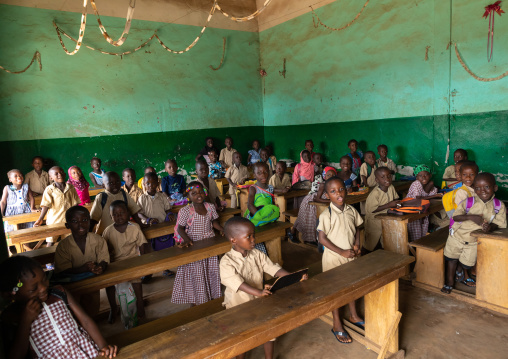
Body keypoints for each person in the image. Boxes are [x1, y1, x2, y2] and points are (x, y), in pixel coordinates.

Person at [0, 256, 118, 359]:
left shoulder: (59, 293)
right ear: (11, 294)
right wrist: (25, 321)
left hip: (86, 352)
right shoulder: (11, 316)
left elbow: (85, 321)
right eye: (33, 289)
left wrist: (103, 346)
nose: (43, 288)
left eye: (44, 279)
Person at [220, 217, 303, 359]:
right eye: (248, 236)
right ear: (234, 240)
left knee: (269, 331)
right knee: (243, 337)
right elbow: (238, 284)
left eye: (254, 235)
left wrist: (293, 276)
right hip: (239, 306)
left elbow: (273, 269)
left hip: (260, 301)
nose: (253, 239)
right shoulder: (226, 261)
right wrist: (258, 292)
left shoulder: (257, 254)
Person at [441, 173, 506, 294]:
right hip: (457, 236)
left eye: (487, 187)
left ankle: (461, 270)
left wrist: (490, 227)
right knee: (451, 260)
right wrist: (471, 217)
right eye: (478, 188)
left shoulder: (498, 206)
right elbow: (455, 217)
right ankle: (449, 283)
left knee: (467, 263)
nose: (483, 191)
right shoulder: (468, 202)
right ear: (474, 189)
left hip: (473, 242)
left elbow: (500, 223)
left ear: (495, 188)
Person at [317, 177, 364, 344]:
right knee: (335, 291)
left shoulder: (351, 210)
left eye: (341, 189)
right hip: (333, 260)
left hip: (351, 256)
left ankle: (353, 315)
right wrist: (342, 252)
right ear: (327, 195)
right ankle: (337, 324)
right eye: (333, 191)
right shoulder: (326, 214)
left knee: (353, 286)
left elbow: (358, 228)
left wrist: (357, 244)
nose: (339, 194)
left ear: (346, 189)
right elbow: (322, 239)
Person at [171, 182, 224, 306]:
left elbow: (214, 222)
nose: (198, 195)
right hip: (193, 245)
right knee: (196, 274)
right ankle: (196, 300)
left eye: (200, 192)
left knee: (210, 270)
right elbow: (179, 228)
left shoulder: (210, 207)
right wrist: (187, 240)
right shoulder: (186, 211)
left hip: (209, 243)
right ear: (188, 196)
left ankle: (210, 296)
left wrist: (222, 229)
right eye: (193, 193)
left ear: (205, 193)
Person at [54, 206, 109, 316]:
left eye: (84, 220)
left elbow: (104, 260)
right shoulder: (63, 246)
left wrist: (101, 267)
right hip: (72, 288)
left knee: (92, 312)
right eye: (75, 221)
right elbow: (62, 271)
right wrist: (83, 269)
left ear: (90, 222)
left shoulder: (98, 240)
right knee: (75, 315)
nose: (81, 225)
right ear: (67, 225)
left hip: (93, 285)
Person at [103, 200, 148, 323]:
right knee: (109, 284)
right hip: (115, 263)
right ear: (110, 216)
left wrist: (142, 260)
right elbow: (104, 249)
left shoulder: (134, 227)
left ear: (128, 213)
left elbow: (142, 244)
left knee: (136, 282)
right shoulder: (108, 231)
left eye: (122, 213)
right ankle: (113, 308)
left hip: (132, 260)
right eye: (115, 214)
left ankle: (140, 304)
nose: (119, 216)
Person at [34, 166, 81, 246]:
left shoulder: (70, 187)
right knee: (51, 242)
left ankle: (68, 257)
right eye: (56, 174)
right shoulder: (49, 189)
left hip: (68, 220)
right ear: (51, 178)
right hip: (54, 221)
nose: (60, 174)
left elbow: (75, 203)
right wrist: (41, 218)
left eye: (61, 172)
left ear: (65, 174)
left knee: (69, 241)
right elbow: (45, 205)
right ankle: (49, 257)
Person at [290, 167, 337, 245]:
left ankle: (293, 232)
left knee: (304, 218)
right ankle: (309, 239)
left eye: (333, 175)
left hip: (318, 204)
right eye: (329, 175)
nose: (331, 177)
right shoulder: (323, 185)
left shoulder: (335, 185)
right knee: (309, 219)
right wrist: (330, 201)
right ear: (325, 176)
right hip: (310, 202)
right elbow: (317, 199)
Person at [364, 167, 400, 253]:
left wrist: (398, 204)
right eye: (383, 177)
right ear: (377, 180)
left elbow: (395, 200)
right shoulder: (375, 193)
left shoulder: (391, 187)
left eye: (389, 176)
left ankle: (383, 257)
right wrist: (389, 205)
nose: (387, 179)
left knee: (385, 241)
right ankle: (364, 258)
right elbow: (372, 210)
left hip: (386, 219)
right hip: (374, 220)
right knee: (371, 244)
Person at [405, 165, 442, 241]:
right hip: (412, 212)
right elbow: (418, 199)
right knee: (415, 236)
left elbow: (430, 196)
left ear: (430, 175)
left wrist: (433, 188)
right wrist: (436, 195)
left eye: (426, 175)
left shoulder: (430, 186)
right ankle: (415, 251)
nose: (423, 177)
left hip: (422, 212)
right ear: (416, 177)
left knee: (422, 235)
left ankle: (419, 250)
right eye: (420, 175)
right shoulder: (416, 184)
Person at [1, 170, 37, 234]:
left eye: (20, 175)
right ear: (10, 179)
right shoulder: (7, 188)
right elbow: (3, 202)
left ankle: (26, 244)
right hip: (12, 213)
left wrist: (32, 208)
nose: (19, 177)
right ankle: (17, 243)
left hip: (25, 211)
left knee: (27, 230)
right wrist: (1, 212)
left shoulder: (26, 186)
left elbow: (31, 198)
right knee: (13, 231)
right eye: (15, 176)